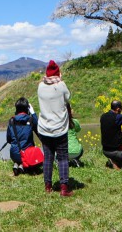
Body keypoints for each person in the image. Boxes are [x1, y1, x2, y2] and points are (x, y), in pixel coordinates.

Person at [37, 60, 73, 196]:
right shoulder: (61, 85)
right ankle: (64, 188)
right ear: (58, 73)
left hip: (44, 128)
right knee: (63, 157)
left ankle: (48, 186)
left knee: (48, 158)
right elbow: (68, 98)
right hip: (60, 129)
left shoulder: (40, 86)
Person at [6, 97, 39, 175]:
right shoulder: (30, 119)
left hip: (14, 153)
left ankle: (18, 163)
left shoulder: (11, 120)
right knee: (33, 152)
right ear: (27, 108)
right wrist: (33, 113)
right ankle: (23, 165)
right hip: (28, 154)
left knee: (18, 153)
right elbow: (39, 128)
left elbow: (8, 139)